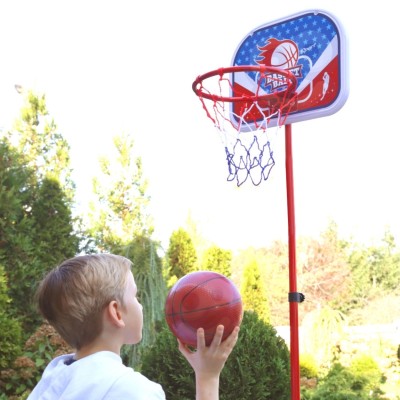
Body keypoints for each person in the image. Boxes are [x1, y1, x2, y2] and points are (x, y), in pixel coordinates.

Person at [27, 253, 239, 400]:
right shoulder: (133, 391)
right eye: (135, 296)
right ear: (116, 313)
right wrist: (208, 377)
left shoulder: (52, 380)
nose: (141, 305)